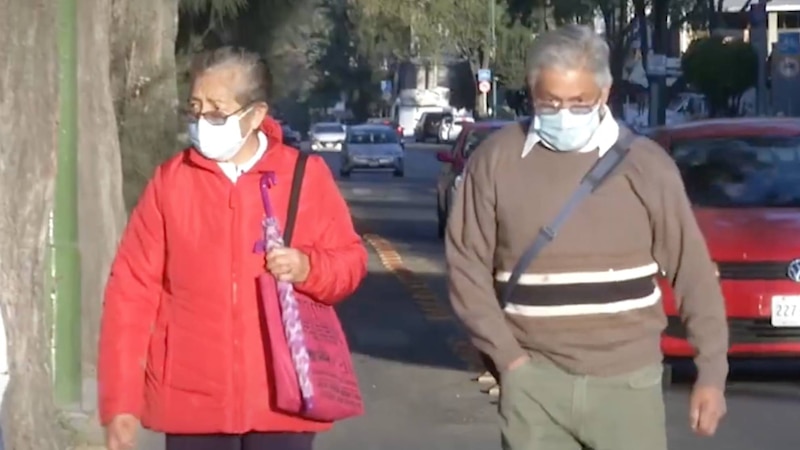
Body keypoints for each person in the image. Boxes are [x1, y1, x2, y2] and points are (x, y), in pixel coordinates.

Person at [446, 25, 728, 450]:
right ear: (531, 90)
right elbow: (466, 269)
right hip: (533, 384)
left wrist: (711, 373)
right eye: (550, 102)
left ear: (604, 92)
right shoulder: (495, 160)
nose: (564, 114)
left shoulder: (647, 166)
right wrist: (511, 362)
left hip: (628, 388)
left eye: (579, 102)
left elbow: (693, 275)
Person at [98, 46, 368, 450]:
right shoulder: (171, 183)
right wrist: (119, 403)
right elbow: (131, 292)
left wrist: (309, 268)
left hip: (284, 400)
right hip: (191, 403)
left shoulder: (304, 176)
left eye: (217, 112)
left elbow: (350, 262)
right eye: (196, 108)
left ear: (256, 114)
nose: (203, 121)